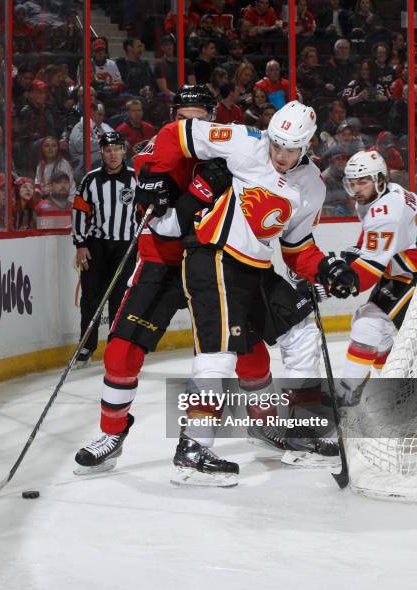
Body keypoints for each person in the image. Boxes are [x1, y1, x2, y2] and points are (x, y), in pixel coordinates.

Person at [123, 100, 359, 484]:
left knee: (302, 333)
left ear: (307, 146)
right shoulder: (246, 141)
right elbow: (176, 134)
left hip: (257, 268)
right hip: (213, 256)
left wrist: (326, 268)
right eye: (277, 145)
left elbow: (297, 247)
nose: (280, 155)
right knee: (218, 353)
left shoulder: (312, 186)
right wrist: (155, 175)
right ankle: (193, 449)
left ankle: (301, 434)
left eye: (290, 149)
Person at [73, 85, 220, 472]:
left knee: (235, 355)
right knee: (121, 350)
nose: (191, 126)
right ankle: (112, 432)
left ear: (212, 118)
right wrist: (202, 192)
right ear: (174, 119)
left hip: (217, 264)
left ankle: (261, 422)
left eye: (199, 118)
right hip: (161, 263)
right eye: (184, 118)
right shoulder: (151, 157)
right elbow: (166, 226)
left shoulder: (231, 152)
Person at [338, 150, 417, 403]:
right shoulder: (383, 195)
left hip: (410, 273)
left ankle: (349, 396)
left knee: (368, 324)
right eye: (352, 183)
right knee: (372, 326)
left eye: (363, 181)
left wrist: (333, 285)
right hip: (402, 269)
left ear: (380, 179)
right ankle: (397, 392)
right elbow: (371, 243)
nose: (356, 189)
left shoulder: (387, 211)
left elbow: (369, 272)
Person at [71, 131, 137, 368]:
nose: (112, 154)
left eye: (117, 149)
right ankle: (87, 346)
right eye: (108, 150)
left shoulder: (136, 178)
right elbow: (79, 211)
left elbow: (144, 213)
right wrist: (80, 244)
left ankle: (117, 348)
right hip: (96, 246)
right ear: (102, 152)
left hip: (125, 248)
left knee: (120, 301)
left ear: (123, 150)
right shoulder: (89, 180)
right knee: (91, 298)